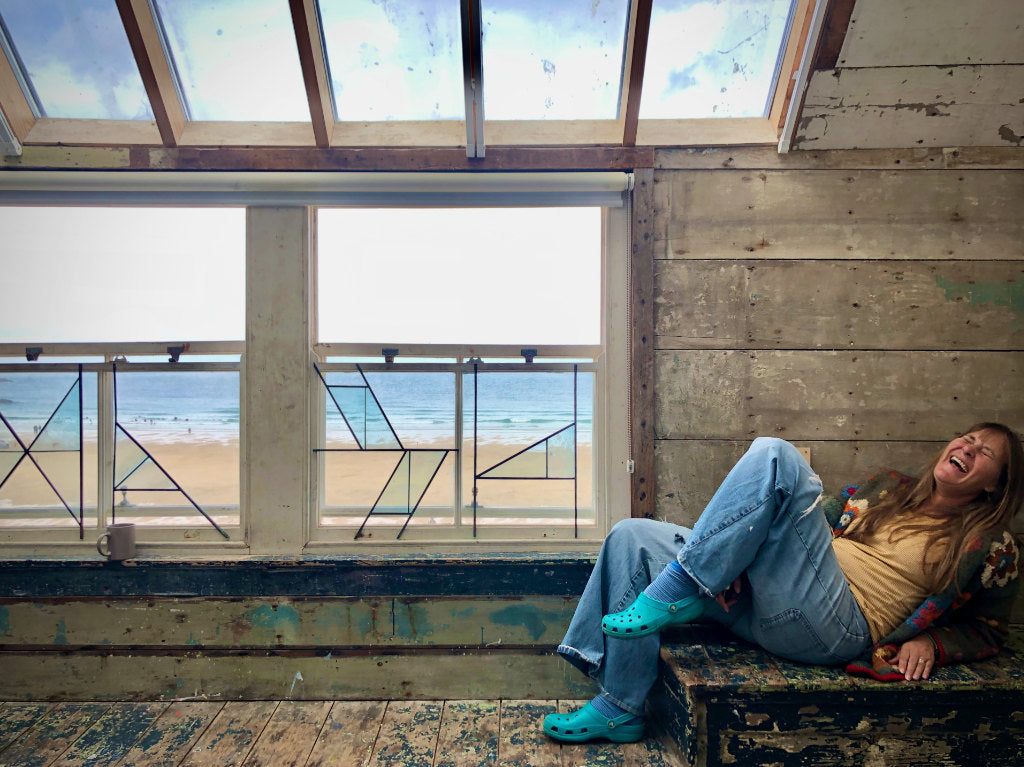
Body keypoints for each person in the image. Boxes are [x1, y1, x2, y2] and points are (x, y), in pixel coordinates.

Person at [542, 424, 1023, 744]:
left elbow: (991, 628)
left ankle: (684, 584)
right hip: (775, 600)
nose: (967, 448)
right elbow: (799, 532)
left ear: (994, 485)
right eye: (967, 438)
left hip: (834, 626)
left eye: (985, 453)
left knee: (776, 454)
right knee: (633, 535)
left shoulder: (989, 546)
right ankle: (620, 706)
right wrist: (737, 569)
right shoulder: (888, 487)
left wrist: (933, 642)